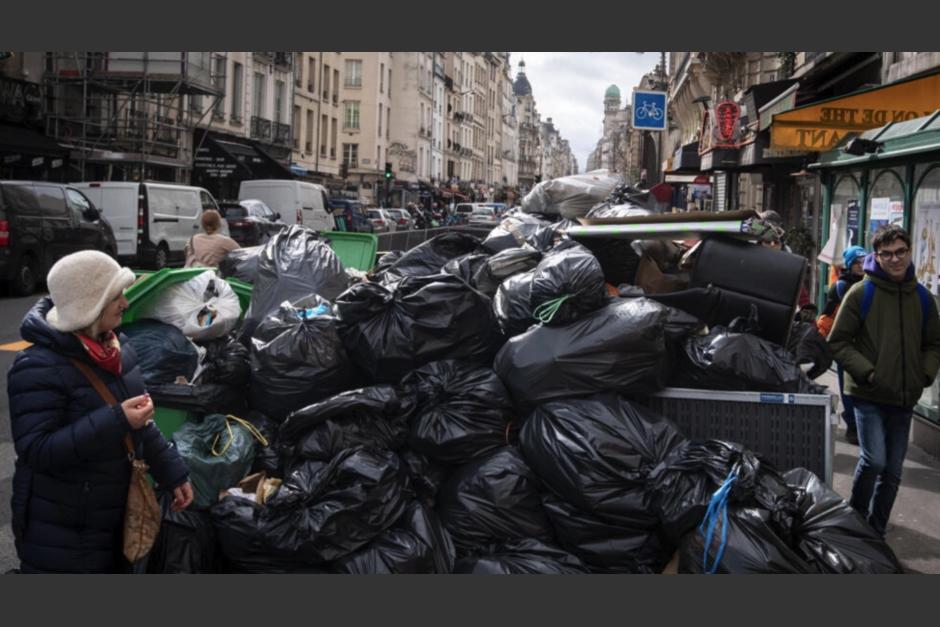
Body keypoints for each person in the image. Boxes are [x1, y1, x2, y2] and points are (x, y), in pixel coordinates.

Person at [7, 250, 194, 573]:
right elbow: (37, 450)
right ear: (90, 304)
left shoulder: (117, 347)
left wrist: (172, 471)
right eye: (116, 296)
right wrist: (116, 419)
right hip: (62, 532)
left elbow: (139, 423)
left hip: (113, 517)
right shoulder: (36, 367)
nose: (125, 303)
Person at [829, 225, 940, 537]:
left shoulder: (922, 298)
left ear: (909, 252)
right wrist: (868, 372)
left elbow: (934, 343)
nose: (895, 259)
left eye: (900, 252)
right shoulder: (861, 293)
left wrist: (924, 373)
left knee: (892, 471)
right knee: (874, 460)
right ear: (876, 256)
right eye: (887, 254)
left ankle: (875, 533)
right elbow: (838, 342)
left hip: (904, 397)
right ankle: (855, 523)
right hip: (868, 394)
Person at [817, 245, 868, 444]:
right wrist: (819, 337)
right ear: (849, 264)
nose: (861, 266)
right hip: (845, 344)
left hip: (865, 344)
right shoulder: (841, 286)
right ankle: (853, 425)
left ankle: (860, 424)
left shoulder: (871, 284)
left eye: (864, 261)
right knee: (848, 387)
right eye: (857, 262)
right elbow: (828, 315)